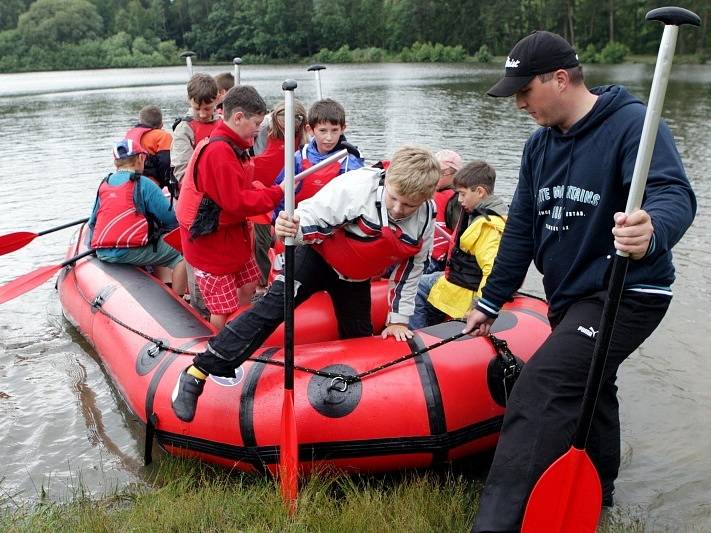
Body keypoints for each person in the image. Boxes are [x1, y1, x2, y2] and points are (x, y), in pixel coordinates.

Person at [463, 31, 696, 532]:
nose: (520, 102)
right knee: (596, 387)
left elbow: (675, 194)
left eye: (526, 91)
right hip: (570, 296)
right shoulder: (537, 146)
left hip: (627, 292)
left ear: (561, 79)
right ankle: (600, 497)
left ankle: (496, 525)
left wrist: (651, 229)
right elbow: (521, 229)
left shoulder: (633, 124)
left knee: (538, 388)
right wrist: (490, 300)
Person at [172, 146, 441, 422]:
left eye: (408, 205)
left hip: (355, 276)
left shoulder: (425, 218)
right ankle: (197, 372)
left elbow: (411, 269)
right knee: (270, 310)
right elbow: (310, 214)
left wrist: (398, 319)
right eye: (394, 198)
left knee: (358, 335)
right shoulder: (356, 186)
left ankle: (356, 405)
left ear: (425, 199)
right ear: (387, 180)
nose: (398, 209)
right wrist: (291, 227)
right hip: (317, 257)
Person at [175, 85, 286, 330]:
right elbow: (235, 202)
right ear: (238, 117)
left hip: (232, 239)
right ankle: (218, 347)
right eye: (256, 122)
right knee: (221, 309)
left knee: (248, 285)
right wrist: (278, 191)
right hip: (211, 246)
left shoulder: (234, 145)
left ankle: (242, 330)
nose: (260, 128)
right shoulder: (218, 152)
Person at [410, 160, 506, 329]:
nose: (459, 200)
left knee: (416, 289)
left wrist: (480, 306)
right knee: (423, 281)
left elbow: (492, 270)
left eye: (462, 194)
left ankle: (418, 339)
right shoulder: (478, 215)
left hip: (465, 288)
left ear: (480, 192)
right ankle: (433, 325)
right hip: (459, 278)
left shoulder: (488, 225)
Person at [88, 139, 187, 294]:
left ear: (116, 163)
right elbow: (171, 219)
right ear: (141, 159)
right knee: (184, 252)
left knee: (155, 238)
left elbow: (92, 222)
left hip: (103, 252)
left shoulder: (104, 183)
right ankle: (180, 300)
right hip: (127, 252)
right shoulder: (144, 184)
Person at [250, 100, 309, 290]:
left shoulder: (304, 137)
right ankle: (263, 279)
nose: (288, 124)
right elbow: (256, 155)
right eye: (282, 118)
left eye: (293, 120)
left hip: (289, 193)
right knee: (261, 238)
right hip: (264, 189)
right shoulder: (265, 130)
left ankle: (286, 275)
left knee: (285, 237)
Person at [273, 97, 364, 211]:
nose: (329, 137)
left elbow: (358, 200)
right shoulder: (299, 157)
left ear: (343, 129)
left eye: (335, 130)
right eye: (323, 131)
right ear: (310, 130)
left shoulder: (350, 161)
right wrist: (279, 220)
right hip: (300, 220)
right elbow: (280, 192)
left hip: (335, 224)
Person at [171, 73, 220, 185]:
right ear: (189, 100)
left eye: (207, 109)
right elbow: (182, 173)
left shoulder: (224, 123)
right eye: (197, 108)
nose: (202, 114)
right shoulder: (184, 130)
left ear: (217, 99)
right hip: (198, 191)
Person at [428, 149, 464, 272]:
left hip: (435, 261)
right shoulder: (431, 192)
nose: (435, 176)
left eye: (440, 172)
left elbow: (459, 236)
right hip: (423, 253)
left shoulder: (457, 200)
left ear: (455, 174)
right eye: (433, 171)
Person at [124, 105, 173, 191]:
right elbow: (165, 162)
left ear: (140, 122)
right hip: (152, 184)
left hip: (129, 181)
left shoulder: (129, 135)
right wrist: (165, 182)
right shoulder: (163, 136)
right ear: (161, 124)